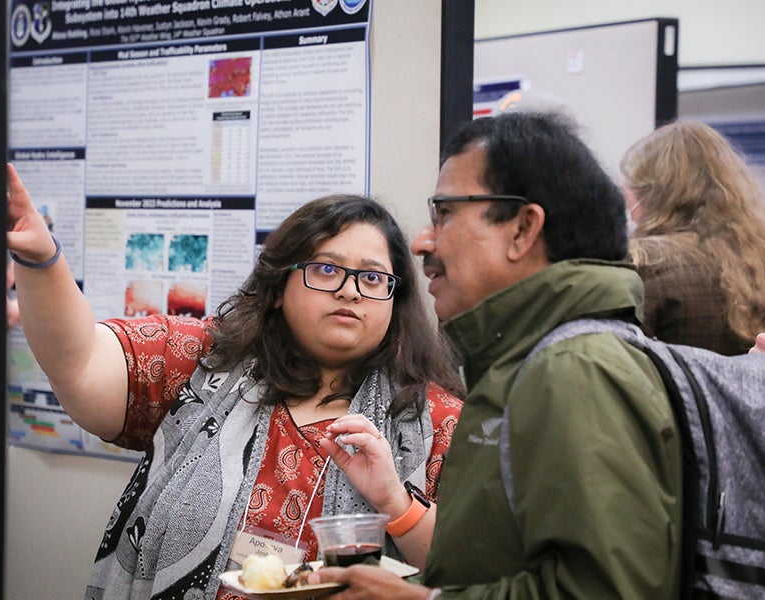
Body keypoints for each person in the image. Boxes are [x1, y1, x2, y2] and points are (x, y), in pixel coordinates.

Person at [5, 164, 464, 600]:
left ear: (394, 297)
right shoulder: (205, 361)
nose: (349, 290)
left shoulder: (437, 422)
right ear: (280, 287)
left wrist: (399, 505)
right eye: (326, 269)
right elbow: (81, 360)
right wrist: (42, 258)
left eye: (371, 276)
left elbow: (478, 576)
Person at [309, 111, 683, 598]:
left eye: (444, 213)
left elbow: (606, 591)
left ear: (522, 229)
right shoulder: (529, 364)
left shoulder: (575, 370)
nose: (424, 241)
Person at [621, 120, 765, 355]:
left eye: (629, 192)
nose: (628, 207)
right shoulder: (756, 256)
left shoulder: (645, 262)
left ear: (653, 194)